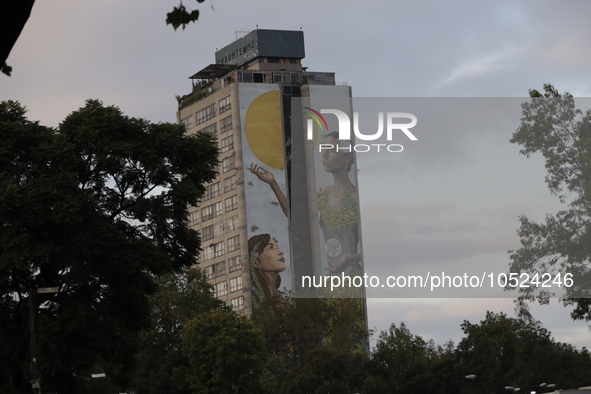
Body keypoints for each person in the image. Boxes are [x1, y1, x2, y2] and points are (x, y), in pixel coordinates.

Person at [318, 132, 362, 274]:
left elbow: (378, 248)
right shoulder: (325, 194)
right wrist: (273, 184)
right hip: (331, 281)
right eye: (323, 148)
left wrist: (350, 258)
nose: (324, 155)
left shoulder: (357, 198)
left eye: (331, 150)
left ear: (347, 157)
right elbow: (295, 217)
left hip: (353, 282)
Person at [248, 233, 286, 299]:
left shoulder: (287, 303)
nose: (281, 252)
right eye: (271, 247)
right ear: (255, 262)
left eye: (277, 247)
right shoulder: (252, 301)